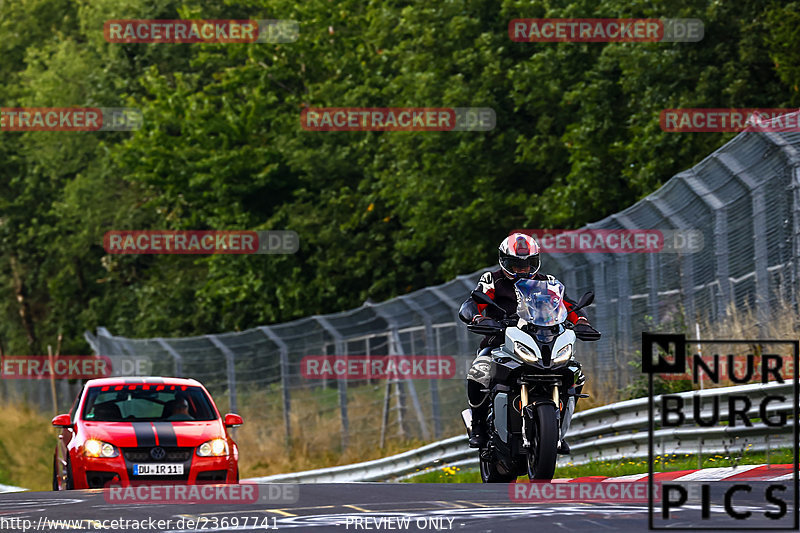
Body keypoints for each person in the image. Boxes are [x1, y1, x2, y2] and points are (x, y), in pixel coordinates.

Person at [458, 233, 600, 451]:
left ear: (536, 261)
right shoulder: (492, 279)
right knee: (479, 371)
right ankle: (477, 425)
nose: (522, 270)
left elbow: (568, 306)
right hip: (500, 341)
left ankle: (556, 429)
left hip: (543, 339)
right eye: (516, 265)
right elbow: (472, 303)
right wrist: (478, 317)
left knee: (575, 372)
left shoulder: (548, 282)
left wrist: (581, 321)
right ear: (504, 261)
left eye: (528, 264)